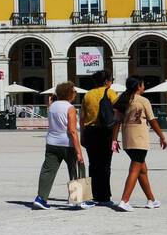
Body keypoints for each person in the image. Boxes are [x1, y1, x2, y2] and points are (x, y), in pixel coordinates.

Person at [32, 82, 91, 210]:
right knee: (77, 169)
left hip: (52, 143)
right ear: (69, 93)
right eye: (74, 92)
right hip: (67, 143)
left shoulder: (52, 106)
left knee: (47, 171)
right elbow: (72, 131)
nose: (75, 94)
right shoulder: (70, 108)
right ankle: (77, 200)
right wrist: (79, 151)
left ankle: (41, 198)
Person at [113, 76, 167, 211]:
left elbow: (117, 122)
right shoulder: (143, 101)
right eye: (143, 85)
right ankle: (124, 200)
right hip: (140, 138)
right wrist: (162, 136)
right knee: (135, 170)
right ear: (138, 86)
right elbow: (152, 120)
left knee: (143, 170)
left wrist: (114, 139)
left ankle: (151, 200)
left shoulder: (122, 100)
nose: (144, 87)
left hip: (127, 138)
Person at [80, 72, 118, 205]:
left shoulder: (87, 94)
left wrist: (82, 135)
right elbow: (117, 110)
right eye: (111, 79)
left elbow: (82, 117)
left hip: (90, 131)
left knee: (93, 164)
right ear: (106, 81)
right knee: (106, 165)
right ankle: (104, 196)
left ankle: (93, 195)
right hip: (105, 131)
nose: (111, 82)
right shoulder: (110, 92)